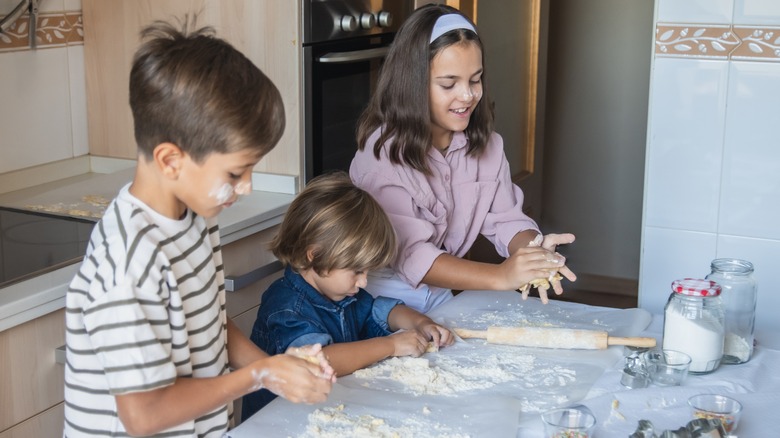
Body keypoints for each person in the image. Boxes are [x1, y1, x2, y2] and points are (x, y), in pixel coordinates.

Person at [63, 18, 335, 437]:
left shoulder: (193, 218)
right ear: (171, 160)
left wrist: (272, 365)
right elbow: (144, 415)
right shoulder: (129, 264)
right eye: (234, 173)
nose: (245, 188)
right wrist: (260, 376)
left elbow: (209, 324)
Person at [350, 4, 577, 313]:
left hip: (440, 295)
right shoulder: (383, 155)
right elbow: (412, 256)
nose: (468, 95)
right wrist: (501, 275)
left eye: (475, 79)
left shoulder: (488, 147)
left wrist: (533, 251)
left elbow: (506, 219)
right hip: (378, 303)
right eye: (449, 84)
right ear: (412, 85)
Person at [242, 172, 455, 419]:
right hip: (276, 422)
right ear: (315, 255)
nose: (364, 281)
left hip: (324, 410)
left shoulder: (340, 291)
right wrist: (390, 345)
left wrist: (421, 323)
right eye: (357, 271)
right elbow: (319, 361)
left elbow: (382, 311)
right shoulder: (287, 307)